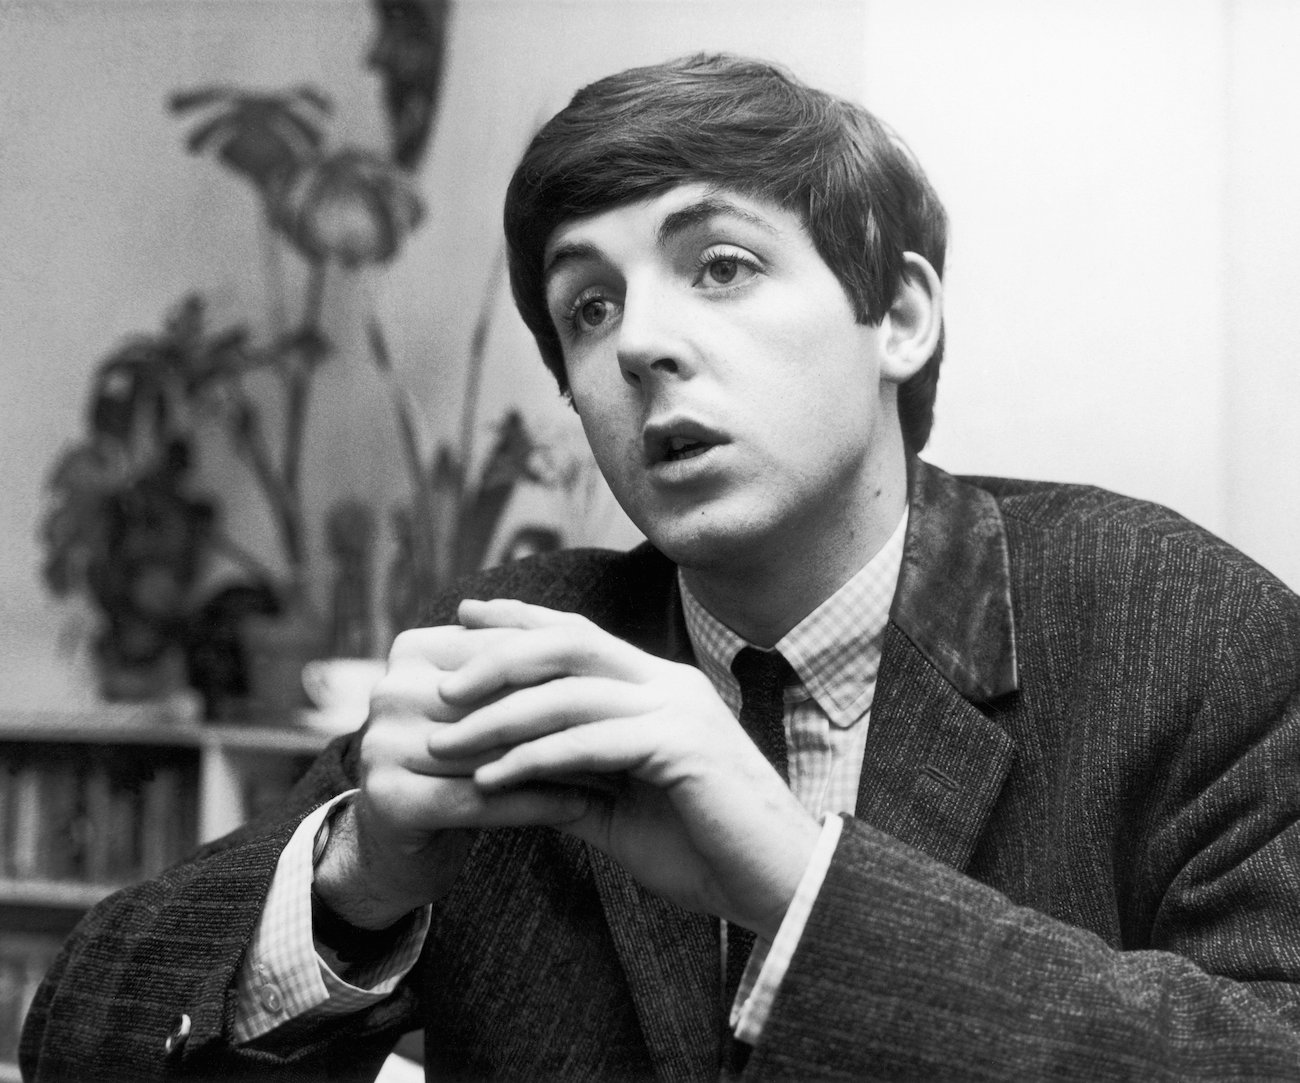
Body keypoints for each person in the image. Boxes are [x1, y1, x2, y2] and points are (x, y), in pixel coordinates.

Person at [22, 53, 1300, 1081]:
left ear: (899, 317)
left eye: (722, 267)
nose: (639, 344)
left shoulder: (1176, 626)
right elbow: (81, 1041)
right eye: (587, 307)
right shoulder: (531, 640)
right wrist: (358, 871)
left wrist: (803, 888)